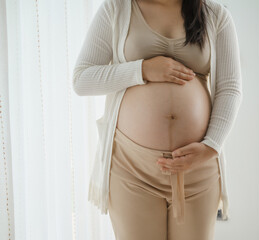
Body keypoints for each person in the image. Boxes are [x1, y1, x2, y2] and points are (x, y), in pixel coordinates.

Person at [72, 0, 243, 239]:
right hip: (132, 169)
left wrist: (211, 146)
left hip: (197, 168)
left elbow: (230, 88)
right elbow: (82, 79)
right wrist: (141, 69)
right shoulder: (117, 8)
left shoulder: (215, 15)